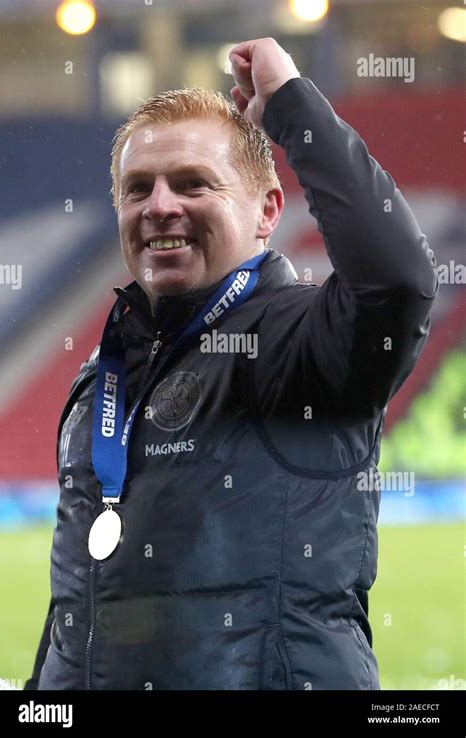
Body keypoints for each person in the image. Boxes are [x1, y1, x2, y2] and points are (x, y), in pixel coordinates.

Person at [25, 38, 437, 690]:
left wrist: (292, 108)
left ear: (268, 210)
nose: (160, 206)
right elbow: (79, 601)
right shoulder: (101, 377)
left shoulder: (304, 343)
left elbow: (396, 283)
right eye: (138, 190)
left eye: (192, 183)